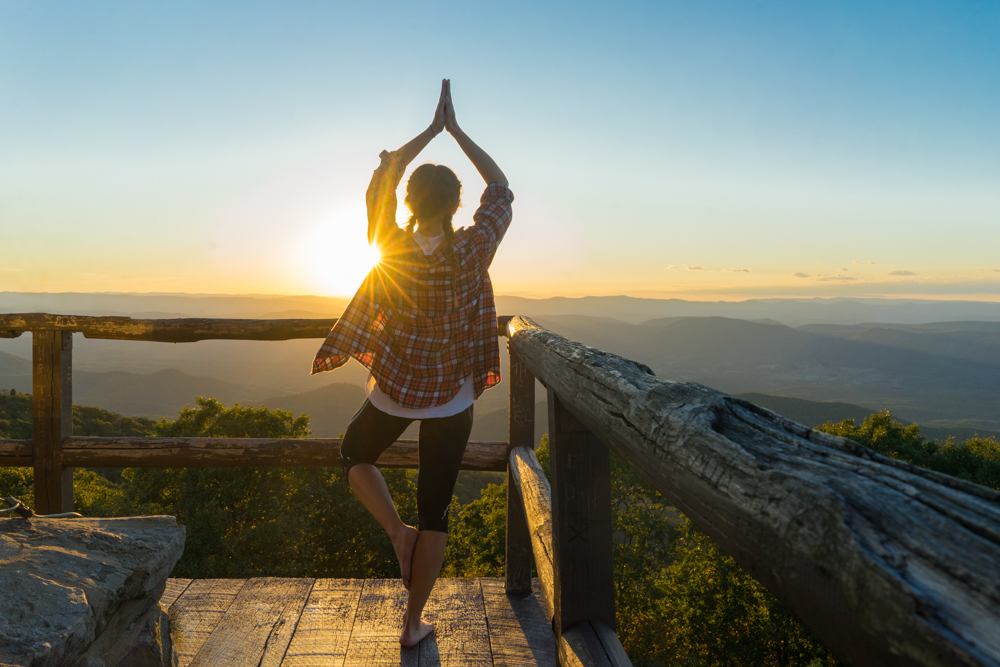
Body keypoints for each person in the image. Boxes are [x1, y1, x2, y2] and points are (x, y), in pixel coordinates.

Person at [311, 79, 512, 646]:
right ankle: (411, 623)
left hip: (396, 386)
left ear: (408, 204)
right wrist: (456, 130)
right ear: (455, 206)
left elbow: (386, 174)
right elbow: (500, 187)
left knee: (354, 453)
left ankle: (396, 533)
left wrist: (428, 129)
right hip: (452, 396)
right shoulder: (474, 249)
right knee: (437, 511)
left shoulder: (389, 244)